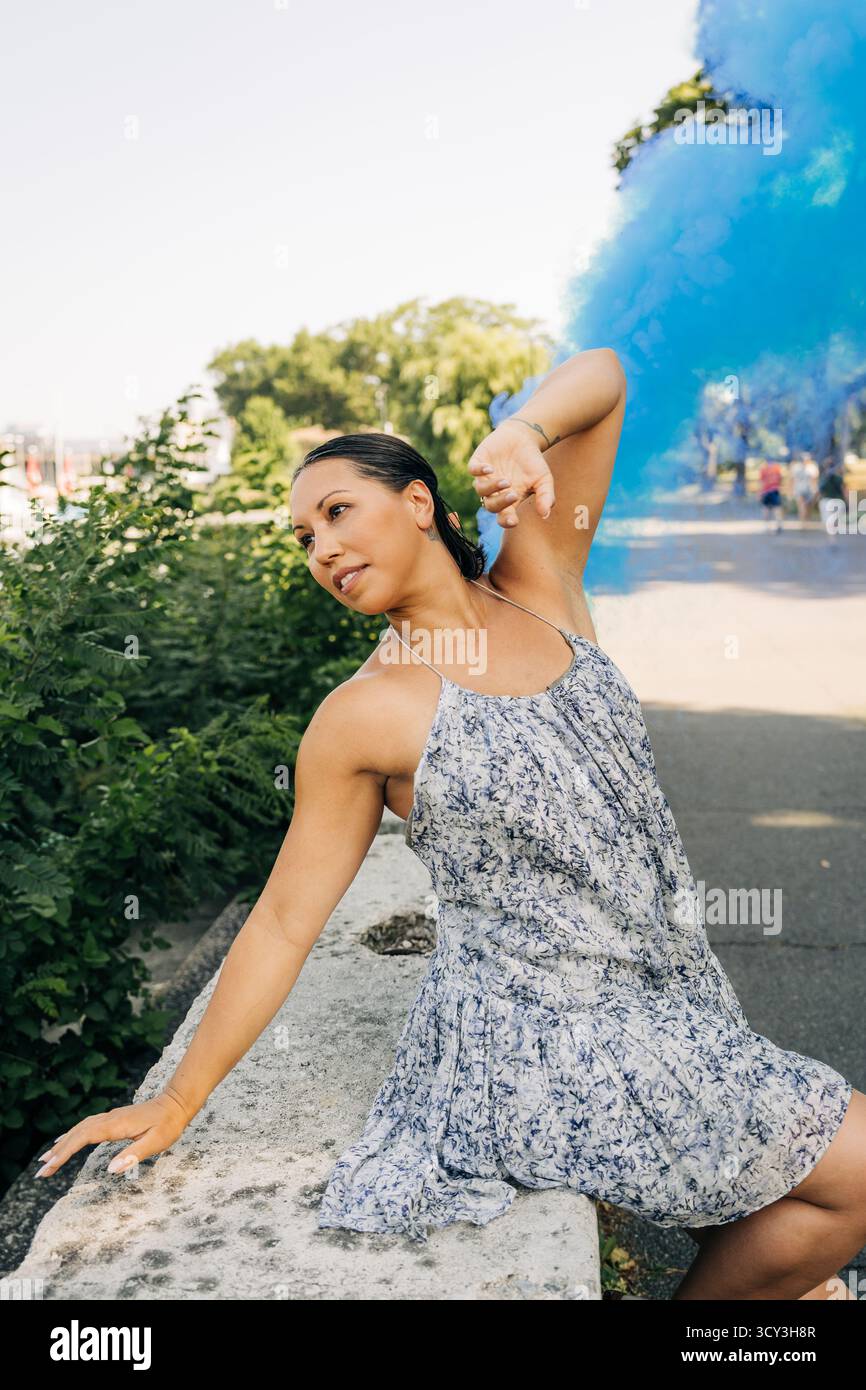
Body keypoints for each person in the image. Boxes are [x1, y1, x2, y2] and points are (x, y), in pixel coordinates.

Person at [33, 349, 864, 1301]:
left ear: (420, 502)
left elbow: (605, 375)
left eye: (338, 511)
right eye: (303, 538)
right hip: (536, 1036)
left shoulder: (540, 577)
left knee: (799, 1216)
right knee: (858, 1170)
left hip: (664, 985)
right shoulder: (363, 715)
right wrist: (180, 1096)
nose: (322, 550)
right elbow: (282, 922)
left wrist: (521, 433)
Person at [817, 458, 848, 541]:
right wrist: (847, 501)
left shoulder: (823, 479)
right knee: (834, 521)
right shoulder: (839, 478)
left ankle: (832, 538)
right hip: (838, 502)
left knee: (828, 522)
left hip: (826, 501)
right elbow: (844, 491)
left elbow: (819, 492)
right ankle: (833, 536)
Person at [789, 451, 819, 522]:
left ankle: (805, 519)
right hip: (803, 489)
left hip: (806, 489)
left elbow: (814, 480)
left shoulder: (811, 467)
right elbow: (792, 479)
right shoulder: (810, 467)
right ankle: (803, 520)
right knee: (803, 505)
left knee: (806, 505)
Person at [757, 457, 784, 532]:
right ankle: (779, 524)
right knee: (777, 508)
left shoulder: (763, 468)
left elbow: (761, 482)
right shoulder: (777, 467)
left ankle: (766, 526)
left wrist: (759, 493)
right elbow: (780, 478)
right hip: (775, 490)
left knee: (765, 508)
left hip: (765, 491)